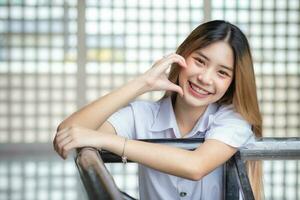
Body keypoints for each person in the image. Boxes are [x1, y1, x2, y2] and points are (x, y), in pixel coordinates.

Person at [53, 20, 263, 200]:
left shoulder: (233, 119)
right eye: (200, 61)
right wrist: (142, 83)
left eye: (222, 73)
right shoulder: (143, 115)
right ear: (181, 57)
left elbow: (196, 166)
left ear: (233, 82)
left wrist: (108, 141)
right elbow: (68, 132)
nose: (205, 78)